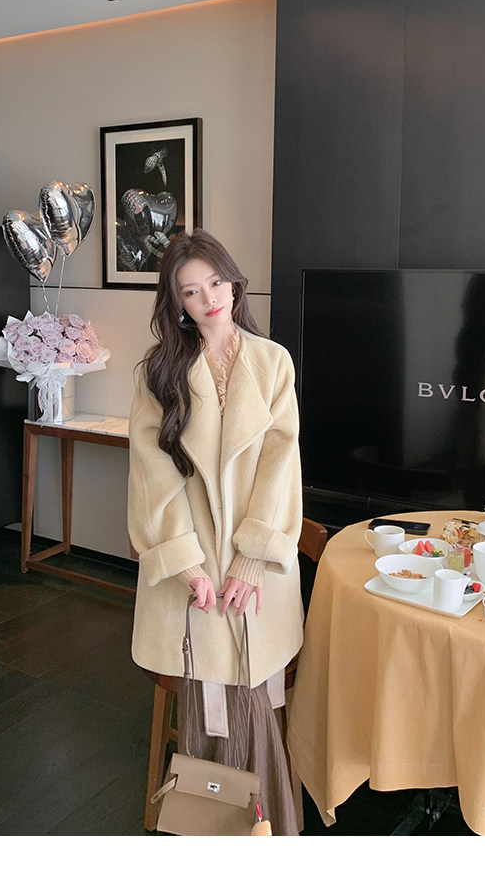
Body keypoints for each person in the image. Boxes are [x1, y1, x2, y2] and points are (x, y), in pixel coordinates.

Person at [127, 229, 304, 835]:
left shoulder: (272, 362)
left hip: (259, 569)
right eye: (191, 291)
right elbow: (152, 475)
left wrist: (251, 559)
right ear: (176, 303)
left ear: (232, 282)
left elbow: (281, 465)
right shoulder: (160, 372)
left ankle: (263, 829)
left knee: (254, 697)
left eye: (216, 282)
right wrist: (188, 565)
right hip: (194, 574)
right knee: (210, 700)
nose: (209, 298)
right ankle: (215, 831)